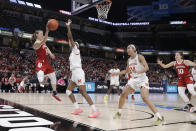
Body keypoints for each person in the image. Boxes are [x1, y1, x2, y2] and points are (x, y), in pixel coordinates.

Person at [113, 44, 164, 125]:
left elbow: (147, 67)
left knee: (144, 98)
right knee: (123, 94)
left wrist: (139, 72)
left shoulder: (139, 57)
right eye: (127, 48)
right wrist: (117, 73)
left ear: (134, 49)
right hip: (133, 80)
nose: (127, 49)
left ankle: (160, 117)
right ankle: (119, 112)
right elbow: (127, 71)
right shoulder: (129, 60)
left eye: (129, 47)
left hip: (142, 79)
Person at [65, 19, 100, 118]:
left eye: (74, 43)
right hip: (74, 74)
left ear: (76, 45)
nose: (72, 43)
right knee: (68, 91)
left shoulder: (76, 50)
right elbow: (70, 40)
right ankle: (77, 108)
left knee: (83, 92)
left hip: (78, 72)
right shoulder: (72, 53)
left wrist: (68, 27)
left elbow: (70, 37)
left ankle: (95, 110)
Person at [32, 23, 61, 101]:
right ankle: (26, 82)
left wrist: (51, 53)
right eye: (41, 34)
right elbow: (45, 40)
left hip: (46, 62)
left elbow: (46, 47)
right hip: (40, 62)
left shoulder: (42, 42)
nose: (42, 35)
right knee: (41, 78)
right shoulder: (36, 43)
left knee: (53, 76)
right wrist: (47, 31)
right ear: (37, 35)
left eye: (43, 33)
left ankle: (54, 92)